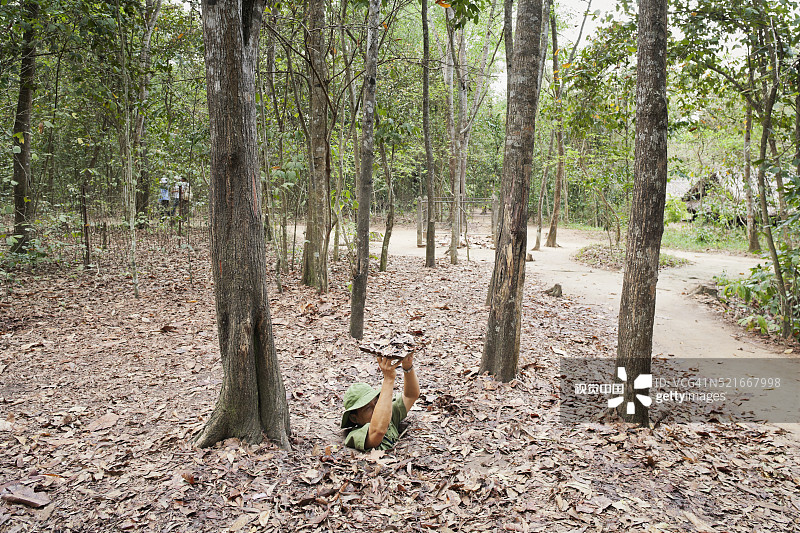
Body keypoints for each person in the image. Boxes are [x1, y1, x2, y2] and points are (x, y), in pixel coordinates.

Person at [341, 353, 419, 451]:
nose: (376, 408)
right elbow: (378, 431)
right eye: (367, 408)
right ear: (354, 418)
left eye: (377, 402)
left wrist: (407, 366)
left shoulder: (389, 416)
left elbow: (410, 396)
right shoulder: (356, 435)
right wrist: (388, 379)